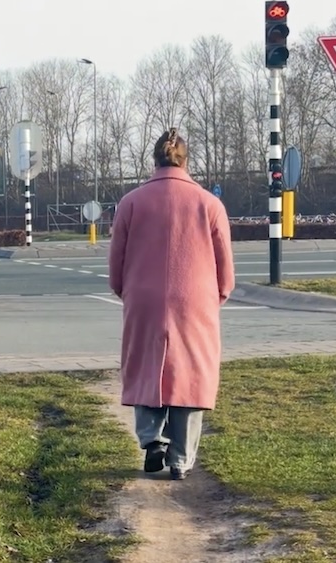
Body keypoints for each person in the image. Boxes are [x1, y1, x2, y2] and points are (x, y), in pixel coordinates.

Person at [108, 128, 235, 480]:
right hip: (195, 299)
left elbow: (116, 260)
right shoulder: (209, 205)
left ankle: (152, 440)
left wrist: (126, 290)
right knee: (191, 371)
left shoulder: (131, 203)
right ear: (186, 160)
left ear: (154, 160)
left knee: (147, 364)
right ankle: (180, 459)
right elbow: (224, 265)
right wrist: (217, 295)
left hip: (144, 296)